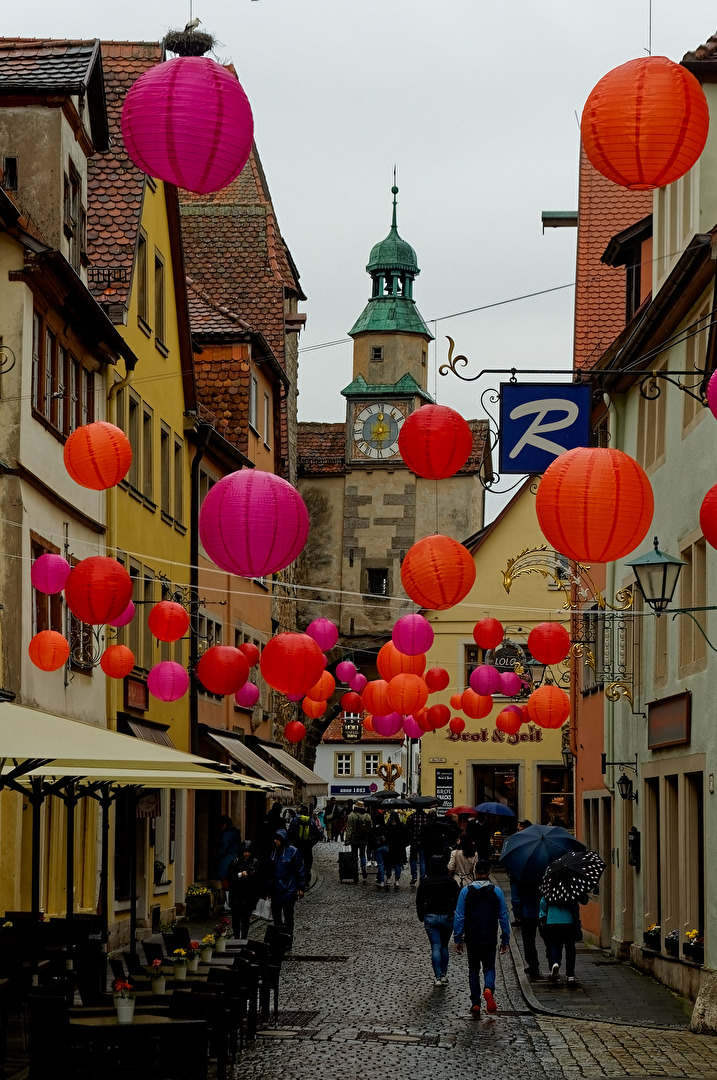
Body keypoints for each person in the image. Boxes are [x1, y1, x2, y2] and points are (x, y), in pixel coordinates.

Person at [453, 859, 510, 1016]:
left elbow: (459, 916)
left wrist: (458, 937)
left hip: (472, 937)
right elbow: (504, 916)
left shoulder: (465, 892)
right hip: (489, 936)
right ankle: (488, 988)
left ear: (475, 873)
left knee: (473, 969)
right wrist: (505, 938)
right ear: (489, 873)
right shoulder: (496, 892)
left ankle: (475, 1003)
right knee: (489, 966)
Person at [416, 855, 460, 985]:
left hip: (431, 916)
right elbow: (457, 897)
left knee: (435, 946)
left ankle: (437, 977)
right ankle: (444, 975)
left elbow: (419, 901)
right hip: (447, 916)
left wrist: (421, 915)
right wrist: (453, 910)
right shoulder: (450, 881)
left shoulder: (426, 882)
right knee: (444, 946)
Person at [266, 829, 306, 946]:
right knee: (277, 917)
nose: (275, 841)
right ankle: (280, 939)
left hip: (289, 890)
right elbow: (270, 872)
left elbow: (300, 870)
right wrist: (268, 889)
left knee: (288, 916)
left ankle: (288, 939)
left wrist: (301, 888)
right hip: (276, 890)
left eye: (277, 839)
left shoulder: (293, 852)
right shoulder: (273, 852)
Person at [539, 892, 586, 985]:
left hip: (552, 921)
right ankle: (570, 975)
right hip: (569, 922)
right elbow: (577, 906)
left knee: (555, 943)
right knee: (570, 948)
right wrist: (577, 920)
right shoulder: (572, 888)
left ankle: (555, 963)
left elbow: (543, 903)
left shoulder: (550, 887)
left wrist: (543, 916)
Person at [226, 840, 261, 941]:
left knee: (246, 918)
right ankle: (237, 938)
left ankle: (244, 938)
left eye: (248, 852)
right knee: (236, 918)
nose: (247, 854)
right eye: (245, 851)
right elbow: (230, 876)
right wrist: (241, 875)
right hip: (236, 893)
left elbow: (258, 878)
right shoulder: (235, 862)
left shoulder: (255, 862)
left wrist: (252, 875)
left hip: (249, 894)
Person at [288, 803, 322, 879]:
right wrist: (311, 844)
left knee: (296, 861)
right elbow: (317, 835)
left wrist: (292, 843)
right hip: (307, 845)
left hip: (297, 845)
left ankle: (296, 877)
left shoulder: (295, 820)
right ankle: (306, 878)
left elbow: (290, 832)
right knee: (308, 862)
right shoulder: (311, 821)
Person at [215, 815, 243, 908]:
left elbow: (224, 848)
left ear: (224, 825)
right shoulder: (236, 833)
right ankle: (233, 902)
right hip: (236, 858)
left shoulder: (226, 835)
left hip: (227, 859)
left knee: (225, 879)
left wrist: (217, 857)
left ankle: (227, 903)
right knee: (234, 880)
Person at [345, 800, 372, 882]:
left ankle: (355, 872)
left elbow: (349, 829)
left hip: (354, 838)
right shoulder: (367, 816)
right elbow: (370, 827)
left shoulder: (351, 815)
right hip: (364, 838)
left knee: (354, 855)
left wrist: (347, 840)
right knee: (362, 854)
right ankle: (363, 867)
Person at [384, 811, 409, 888]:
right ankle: (397, 880)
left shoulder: (388, 827)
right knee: (398, 864)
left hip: (390, 847)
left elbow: (386, 837)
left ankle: (388, 878)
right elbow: (405, 837)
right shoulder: (401, 826)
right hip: (399, 848)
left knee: (389, 863)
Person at [408, 809, 428, 885]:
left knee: (413, 859)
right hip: (423, 842)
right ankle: (422, 877)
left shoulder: (411, 817)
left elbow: (408, 828)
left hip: (414, 842)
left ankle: (414, 876)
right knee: (423, 861)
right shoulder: (426, 817)